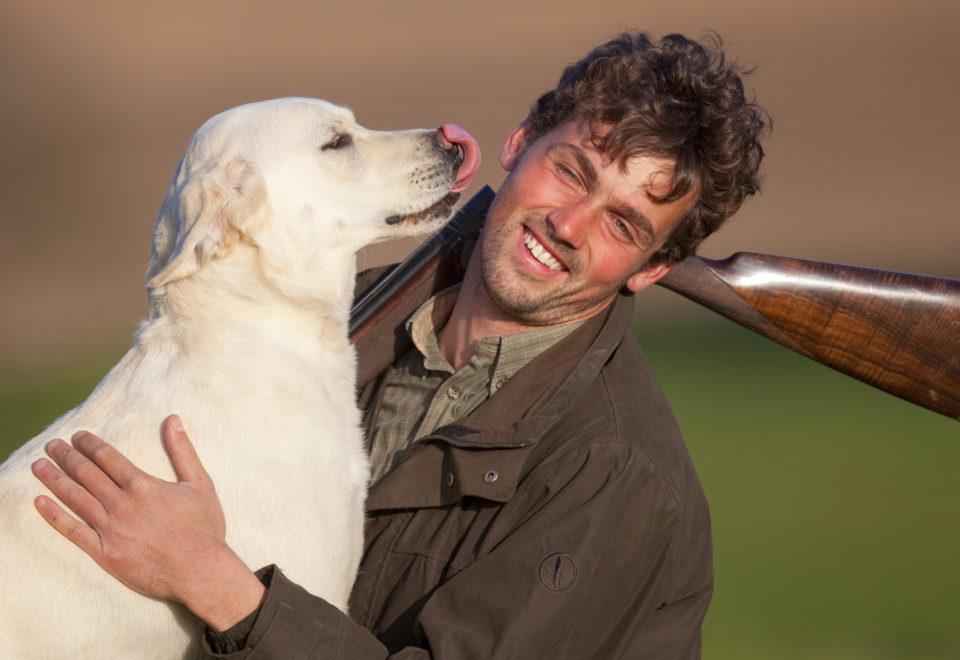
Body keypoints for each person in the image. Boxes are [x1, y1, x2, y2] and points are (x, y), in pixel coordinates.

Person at [31, 32, 767, 658]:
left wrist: (216, 582)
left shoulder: (617, 476)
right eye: (571, 171)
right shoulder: (332, 317)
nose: (569, 225)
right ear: (519, 141)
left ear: (654, 271)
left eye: (623, 225)